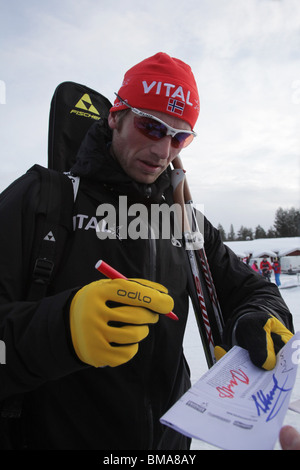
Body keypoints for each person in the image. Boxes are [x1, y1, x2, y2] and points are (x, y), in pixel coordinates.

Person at [0, 52, 294, 450]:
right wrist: (63, 330)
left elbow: (254, 290)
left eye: (180, 136)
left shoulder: (183, 220)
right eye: (151, 126)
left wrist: (256, 318)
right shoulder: (43, 198)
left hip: (170, 446)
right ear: (115, 116)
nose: (163, 151)